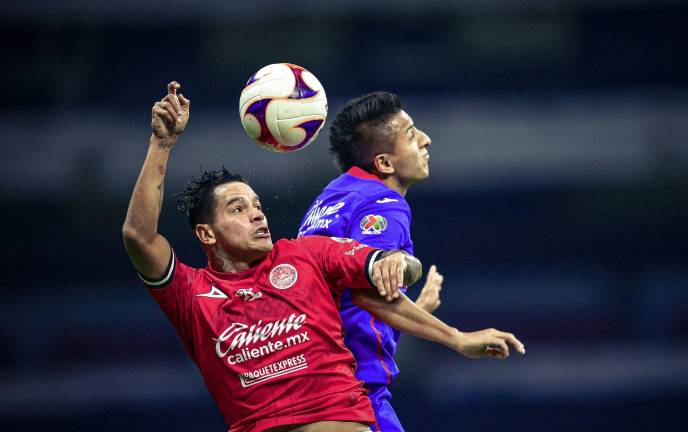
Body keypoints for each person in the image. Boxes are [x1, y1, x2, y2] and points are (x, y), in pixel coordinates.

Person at [122, 82, 525, 432]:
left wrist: (399, 265)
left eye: (258, 204)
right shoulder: (192, 295)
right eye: (238, 209)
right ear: (206, 233)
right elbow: (139, 236)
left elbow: (377, 270)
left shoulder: (306, 254)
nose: (258, 213)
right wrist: (162, 143)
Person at [297, 92, 440, 431]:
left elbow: (344, 304)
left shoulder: (328, 199)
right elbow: (368, 294)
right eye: (410, 133)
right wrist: (455, 337)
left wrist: (414, 310)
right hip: (354, 394)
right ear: (385, 163)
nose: (425, 139)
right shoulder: (384, 203)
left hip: (310, 389)